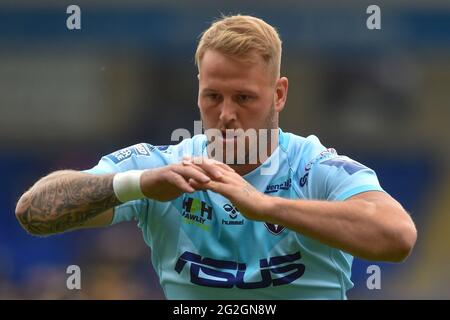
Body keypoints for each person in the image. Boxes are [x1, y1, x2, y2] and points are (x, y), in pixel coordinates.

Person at [15, 15, 417, 299]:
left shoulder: (315, 168)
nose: (226, 114)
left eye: (244, 97)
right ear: (198, 91)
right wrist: (136, 185)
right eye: (213, 96)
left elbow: (397, 237)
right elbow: (33, 212)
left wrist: (265, 207)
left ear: (278, 94)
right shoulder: (164, 168)